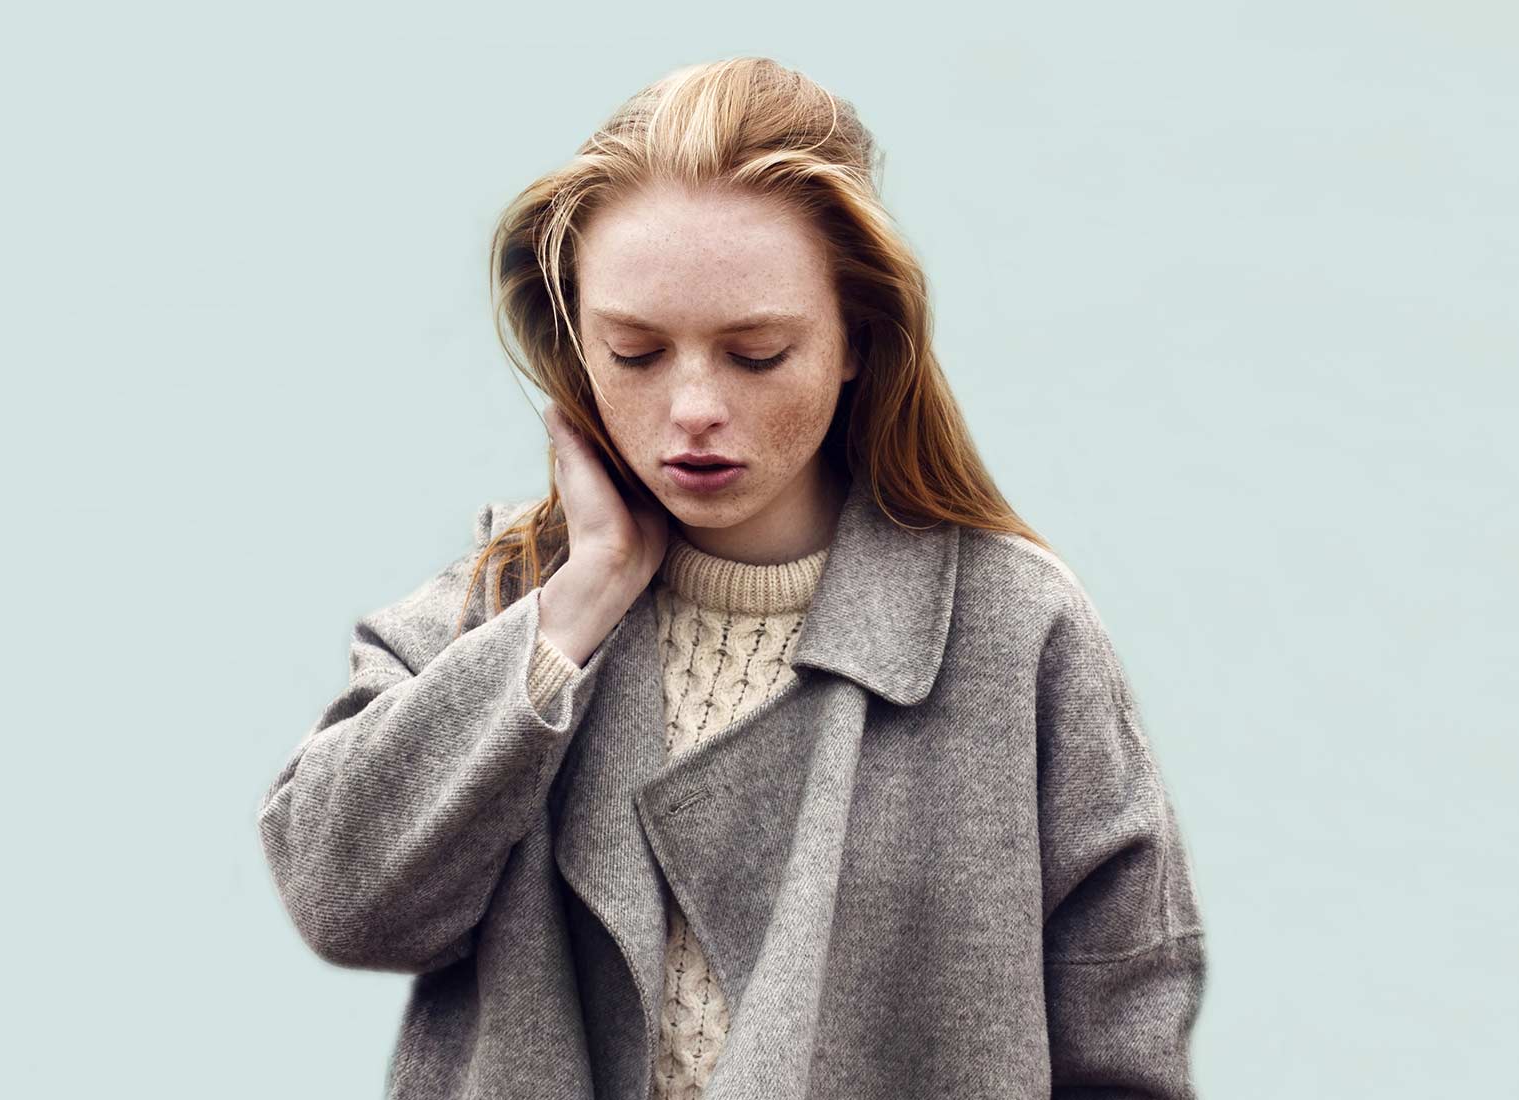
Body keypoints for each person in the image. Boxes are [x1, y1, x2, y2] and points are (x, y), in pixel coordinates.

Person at [258, 56, 1208, 1100]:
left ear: (857, 339)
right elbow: (343, 900)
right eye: (635, 353)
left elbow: (1123, 1038)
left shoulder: (1013, 629)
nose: (695, 408)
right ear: (577, 345)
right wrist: (578, 604)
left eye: (756, 353)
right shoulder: (502, 602)